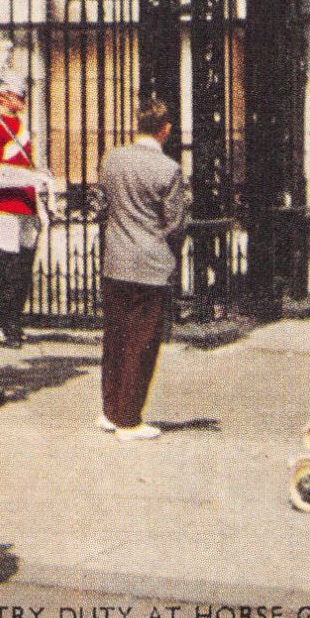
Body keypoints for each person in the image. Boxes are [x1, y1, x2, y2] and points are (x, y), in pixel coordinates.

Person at [97, 97, 188, 442]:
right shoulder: (168, 170)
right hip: (150, 265)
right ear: (165, 130)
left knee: (115, 338)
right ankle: (129, 418)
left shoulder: (113, 159)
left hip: (115, 260)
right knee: (142, 342)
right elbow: (175, 223)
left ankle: (110, 410)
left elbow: (101, 202)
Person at [0, 66, 50, 348]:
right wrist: (30, 178)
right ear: (2, 96)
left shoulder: (21, 128)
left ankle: (12, 319)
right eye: (17, 95)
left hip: (26, 205)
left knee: (23, 266)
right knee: (6, 267)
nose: (22, 100)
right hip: (3, 207)